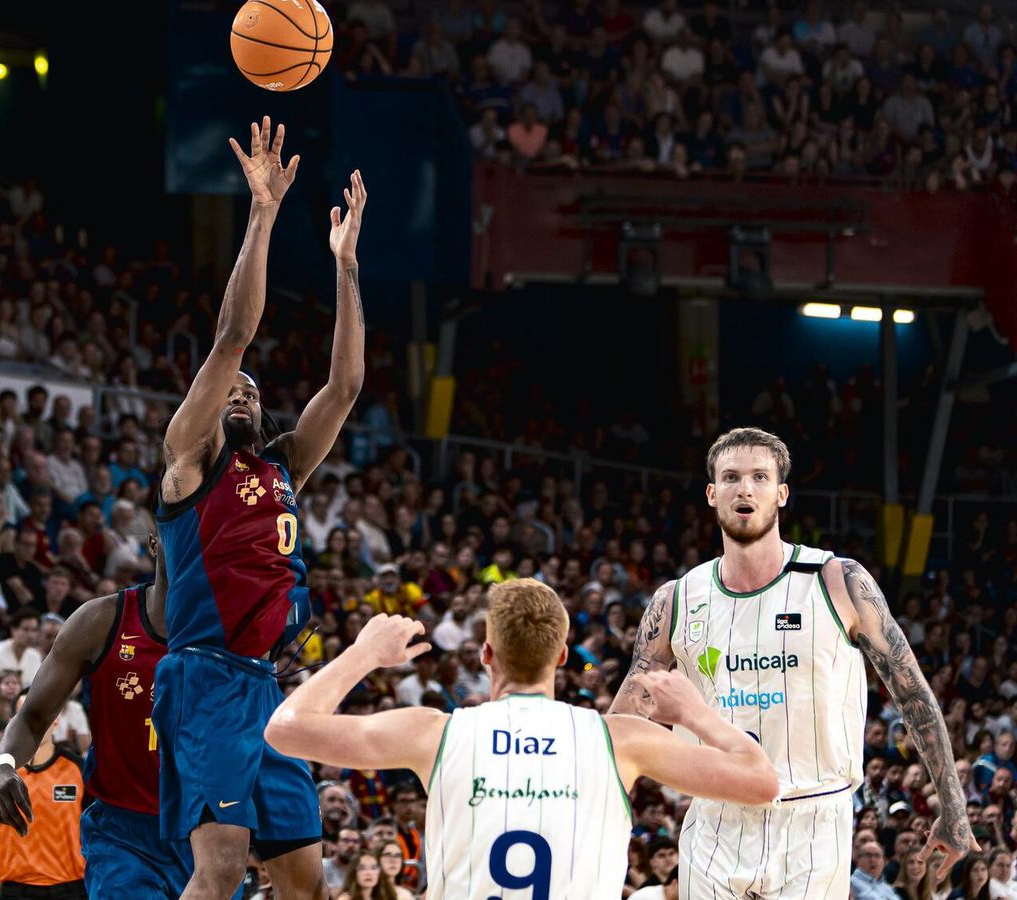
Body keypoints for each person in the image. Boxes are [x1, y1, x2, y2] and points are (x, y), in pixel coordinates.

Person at [611, 427, 975, 897]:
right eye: (731, 477)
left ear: (781, 494)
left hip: (815, 817)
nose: (745, 489)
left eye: (760, 477)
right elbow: (625, 719)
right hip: (714, 817)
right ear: (711, 493)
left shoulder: (838, 580)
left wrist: (953, 806)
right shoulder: (677, 599)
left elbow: (914, 695)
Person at [153, 116, 366, 900]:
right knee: (219, 868)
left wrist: (345, 267)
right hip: (204, 680)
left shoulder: (281, 469)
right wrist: (265, 212)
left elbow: (344, 389)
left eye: (251, 391)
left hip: (266, 686)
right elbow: (235, 334)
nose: (240, 390)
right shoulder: (190, 457)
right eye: (229, 388)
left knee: (305, 881)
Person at [265, 585, 781, 898]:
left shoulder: (434, 732)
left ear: (486, 655)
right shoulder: (621, 739)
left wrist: (363, 654)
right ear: (562, 657)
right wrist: (696, 712)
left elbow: (285, 727)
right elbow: (761, 782)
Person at [0, 535, 198, 897]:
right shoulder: (101, 620)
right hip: (122, 834)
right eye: (175, 528)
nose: (186, 540)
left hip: (205, 830)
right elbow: (33, 716)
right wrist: (2, 764)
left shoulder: (228, 631)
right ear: (153, 543)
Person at [0, 690, 86, 900]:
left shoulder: (80, 771)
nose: (35, 723)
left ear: (56, 720)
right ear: (13, 724)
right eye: (26, 716)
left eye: (41, 715)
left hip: (72, 890)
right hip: (16, 891)